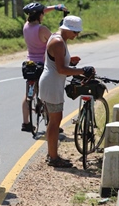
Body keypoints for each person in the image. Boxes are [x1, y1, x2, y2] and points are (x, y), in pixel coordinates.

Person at [39, 15, 95, 168]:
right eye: (75, 32)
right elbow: (61, 69)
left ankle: (52, 154)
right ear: (68, 30)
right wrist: (82, 70)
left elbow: (59, 63)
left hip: (52, 83)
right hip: (52, 85)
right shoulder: (58, 42)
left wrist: (71, 62)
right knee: (54, 123)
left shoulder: (57, 38)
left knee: (53, 121)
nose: (76, 35)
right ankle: (53, 157)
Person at [21, 2, 67, 133]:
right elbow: (54, 40)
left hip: (30, 65)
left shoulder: (26, 26)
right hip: (42, 65)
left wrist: (55, 7)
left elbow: (39, 11)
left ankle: (26, 123)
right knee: (47, 95)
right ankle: (52, 123)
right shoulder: (42, 29)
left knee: (28, 95)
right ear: (40, 15)